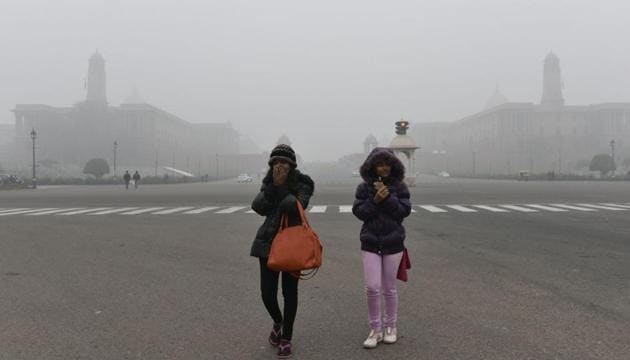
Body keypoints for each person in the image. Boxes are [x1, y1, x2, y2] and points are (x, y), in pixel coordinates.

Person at [250, 144, 314, 359]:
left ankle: (286, 337)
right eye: (276, 162)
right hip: (267, 242)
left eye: (284, 162)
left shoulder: (303, 183)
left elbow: (294, 205)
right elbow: (258, 206)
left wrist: (281, 186)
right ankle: (278, 321)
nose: (280, 165)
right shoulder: (268, 181)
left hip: (292, 246)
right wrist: (272, 186)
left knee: (290, 293)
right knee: (266, 293)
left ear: (292, 164)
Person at [352, 147, 411, 349]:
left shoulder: (400, 187)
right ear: (372, 166)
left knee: (389, 288)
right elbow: (360, 212)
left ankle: (391, 326)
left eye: (387, 164)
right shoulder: (363, 188)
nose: (384, 168)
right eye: (379, 164)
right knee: (372, 287)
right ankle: (375, 329)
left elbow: (403, 212)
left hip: (393, 242)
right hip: (370, 242)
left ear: (392, 166)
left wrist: (388, 198)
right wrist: (375, 200)